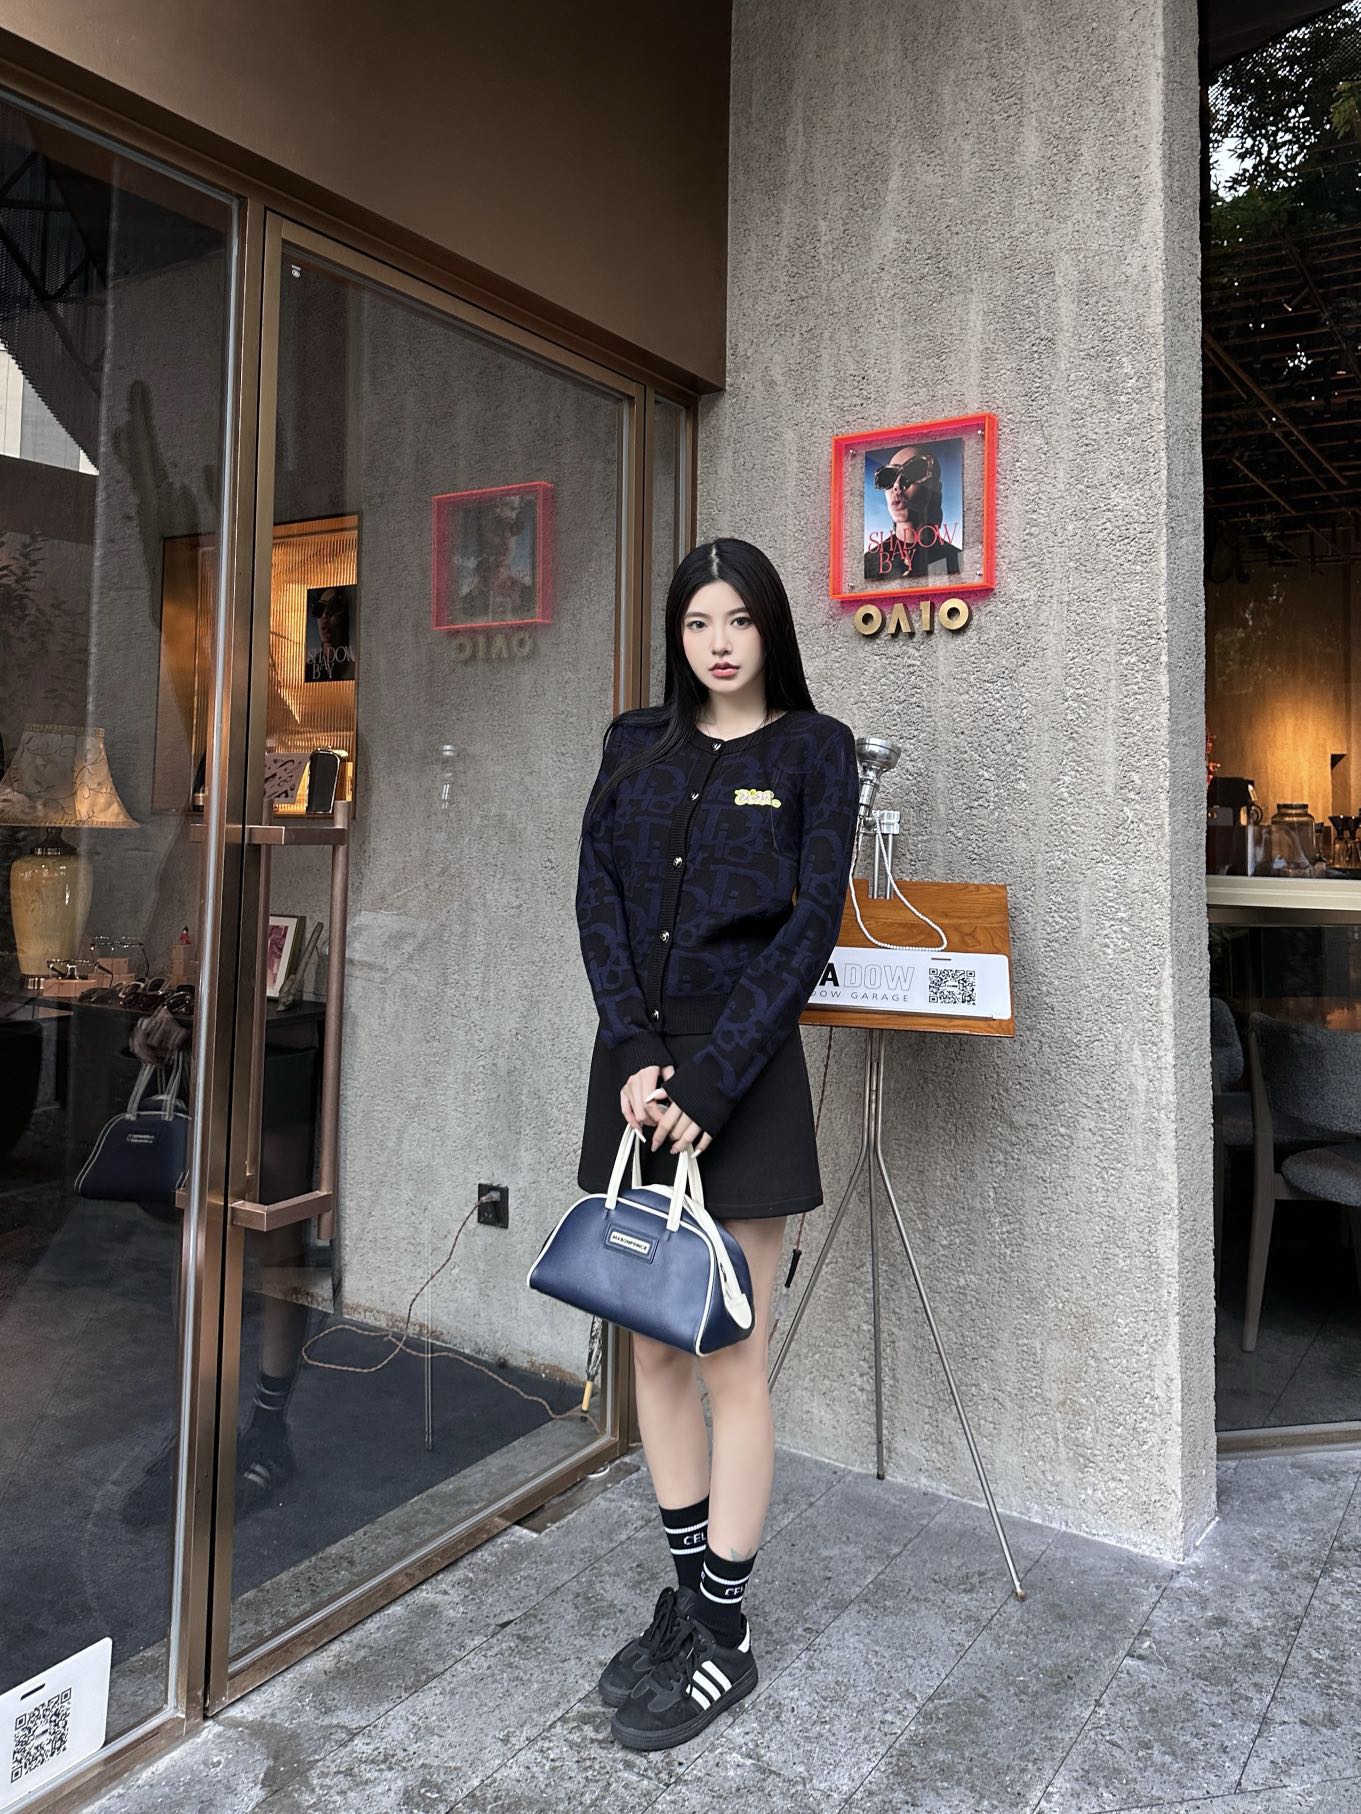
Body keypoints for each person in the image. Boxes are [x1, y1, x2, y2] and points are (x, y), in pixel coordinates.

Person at [574, 536, 859, 1750]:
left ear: (769, 627)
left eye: (738, 619)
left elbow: (807, 927)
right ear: (676, 635)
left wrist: (711, 1074)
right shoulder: (633, 742)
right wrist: (634, 1051)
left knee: (730, 1353)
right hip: (638, 1072)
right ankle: (687, 1600)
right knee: (649, 1347)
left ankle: (724, 1633)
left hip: (742, 1074)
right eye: (698, 622)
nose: (719, 642)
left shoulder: (814, 750)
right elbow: (596, 895)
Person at [863, 443, 960, 582]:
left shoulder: (957, 561)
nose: (897, 485)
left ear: (936, 489)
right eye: (888, 477)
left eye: (914, 472)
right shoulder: (867, 565)